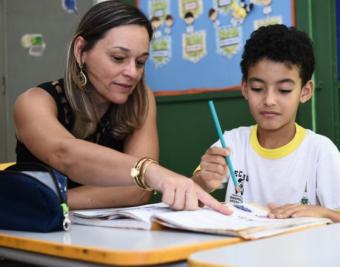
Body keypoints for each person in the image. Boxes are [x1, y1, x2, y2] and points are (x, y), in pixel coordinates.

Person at [13, 1, 230, 215]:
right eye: (118, 58)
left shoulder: (140, 100)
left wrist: (52, 200)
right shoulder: (34, 102)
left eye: (140, 62)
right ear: (81, 51)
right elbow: (65, 154)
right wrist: (149, 171)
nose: (132, 72)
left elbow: (137, 191)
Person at [192, 24, 340, 222]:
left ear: (305, 91)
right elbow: (191, 196)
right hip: (243, 251)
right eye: (258, 88)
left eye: (284, 90)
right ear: (244, 88)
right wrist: (203, 182)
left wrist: (323, 212)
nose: (269, 100)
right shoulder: (232, 143)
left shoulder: (319, 150)